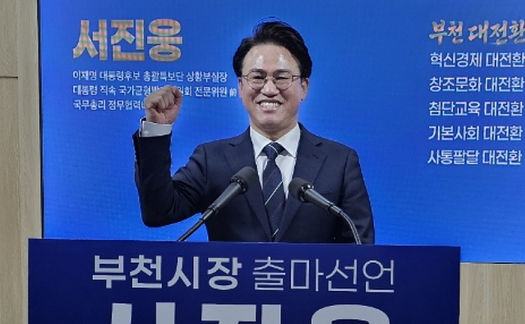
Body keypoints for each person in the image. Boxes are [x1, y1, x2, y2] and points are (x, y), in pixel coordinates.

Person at [134, 20, 374, 243]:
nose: (269, 89)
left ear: (303, 87)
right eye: (257, 77)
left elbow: (359, 248)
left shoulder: (339, 162)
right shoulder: (211, 159)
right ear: (240, 86)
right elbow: (158, 212)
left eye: (282, 78)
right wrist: (157, 128)